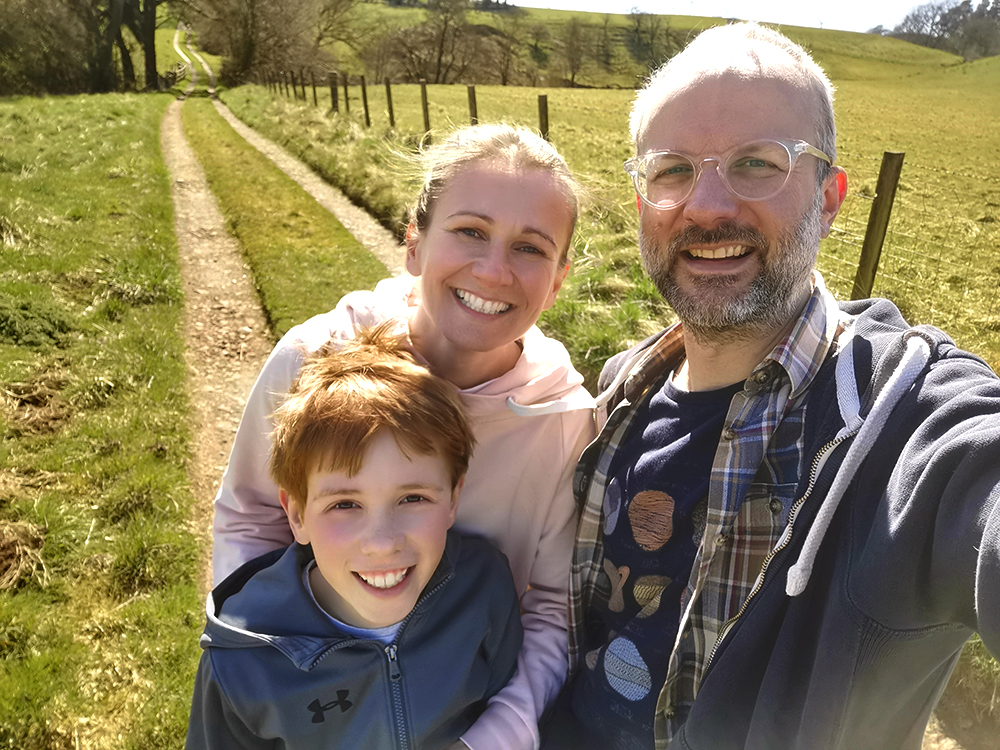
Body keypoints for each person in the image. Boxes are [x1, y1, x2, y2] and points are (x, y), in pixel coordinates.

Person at [556, 21, 1000, 750]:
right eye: (672, 170)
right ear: (642, 203)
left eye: (757, 163)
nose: (707, 206)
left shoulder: (904, 419)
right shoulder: (620, 394)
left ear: (829, 198)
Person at [211, 123, 596, 749]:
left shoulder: (564, 422)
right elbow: (253, 516)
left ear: (557, 281)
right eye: (470, 231)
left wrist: (499, 734)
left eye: (530, 248)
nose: (494, 270)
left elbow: (552, 605)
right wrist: (266, 665)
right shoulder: (315, 358)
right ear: (413, 243)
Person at [186, 331, 524, 749]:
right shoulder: (243, 661)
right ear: (297, 515)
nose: (382, 543)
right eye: (345, 505)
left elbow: (500, 700)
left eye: (413, 498)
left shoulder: (484, 587)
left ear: (453, 499)